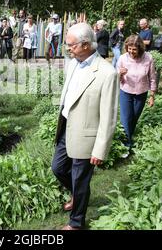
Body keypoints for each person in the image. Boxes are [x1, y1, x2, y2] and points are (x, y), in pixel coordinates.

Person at [51, 22, 119, 230]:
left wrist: (100, 148)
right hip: (66, 127)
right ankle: (77, 194)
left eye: (71, 45)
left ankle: (76, 222)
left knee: (80, 179)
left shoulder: (107, 73)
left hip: (87, 136)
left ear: (87, 45)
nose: (68, 49)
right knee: (58, 168)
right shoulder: (74, 63)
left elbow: (109, 116)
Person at [117, 35, 156, 152]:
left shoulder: (148, 58)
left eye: (134, 49)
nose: (131, 51)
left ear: (140, 49)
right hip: (126, 91)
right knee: (125, 119)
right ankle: (126, 146)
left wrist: (152, 96)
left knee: (134, 118)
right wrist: (119, 74)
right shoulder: (123, 58)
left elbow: (152, 77)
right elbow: (115, 76)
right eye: (129, 48)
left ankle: (127, 138)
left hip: (141, 92)